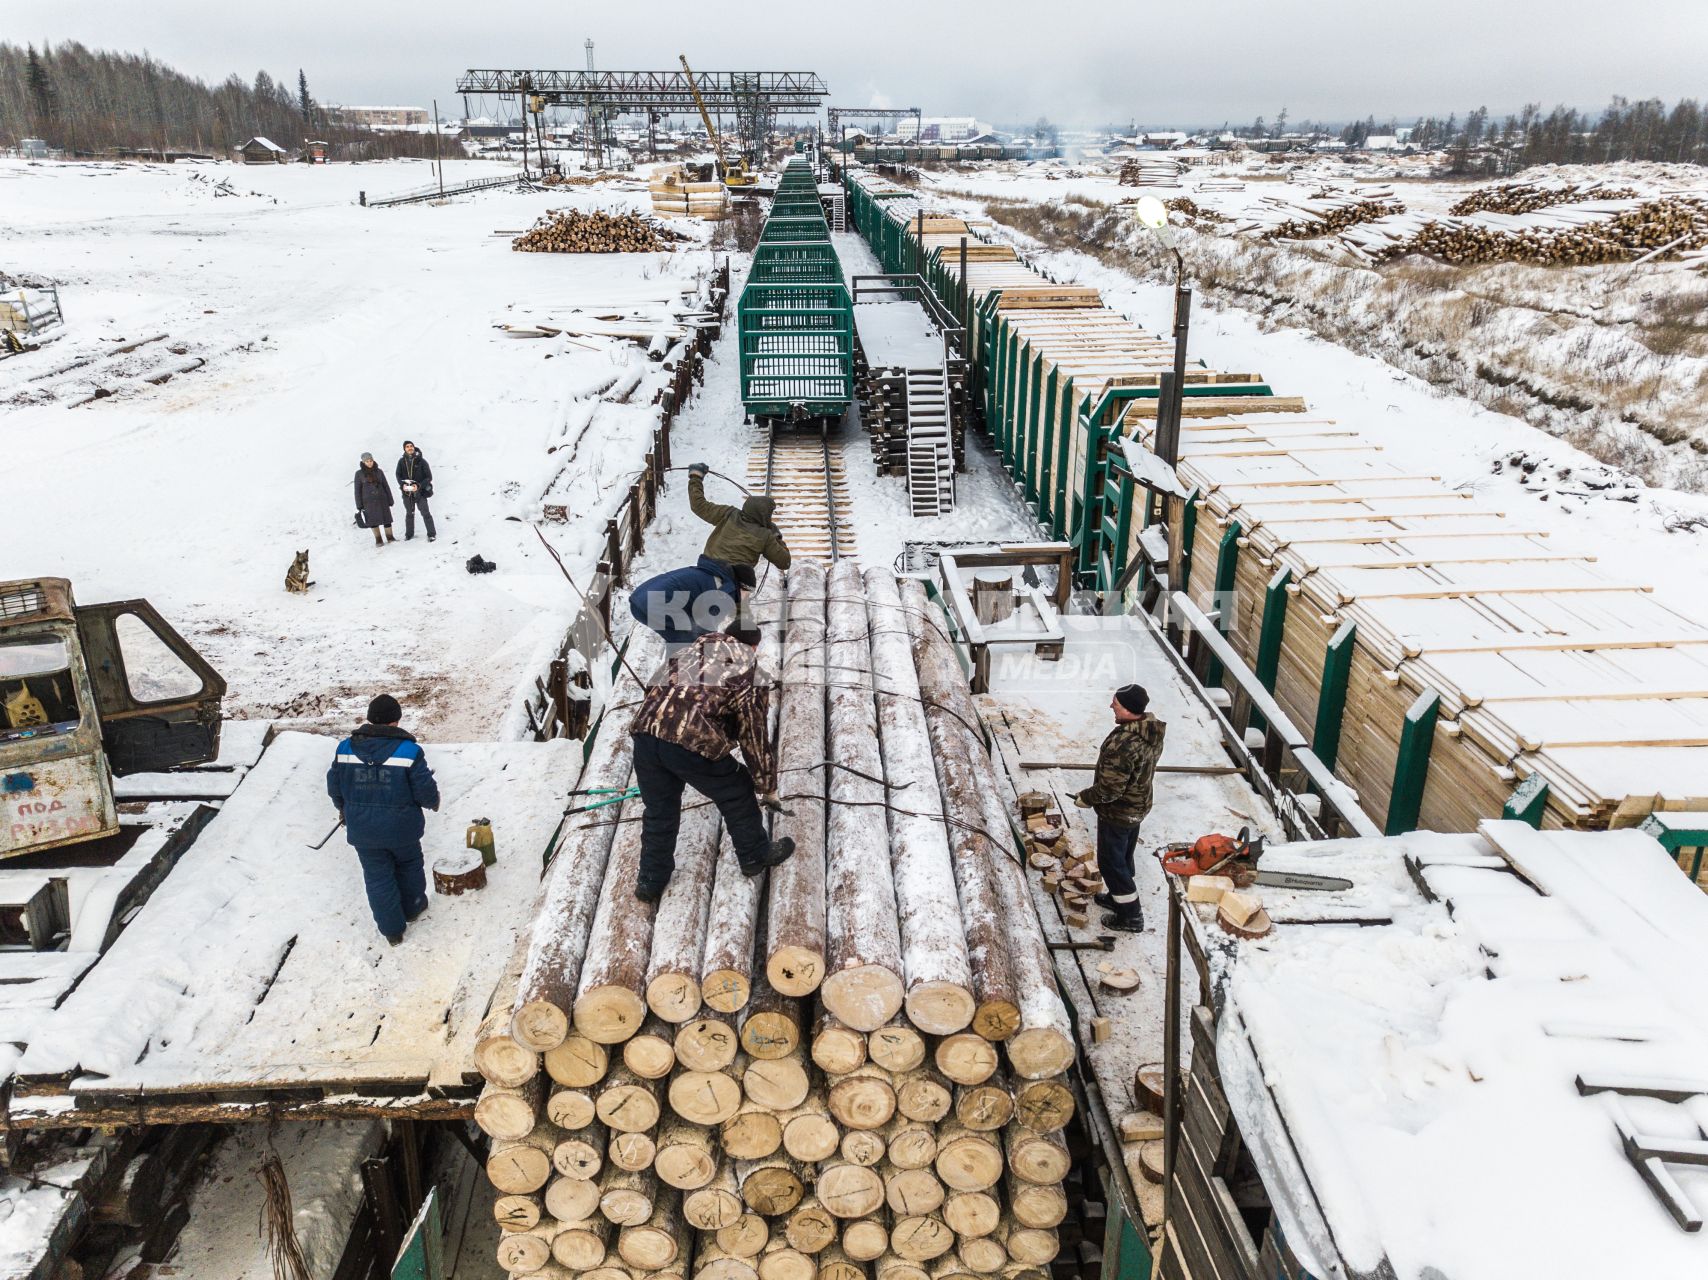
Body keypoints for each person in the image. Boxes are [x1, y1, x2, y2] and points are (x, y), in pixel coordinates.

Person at [628, 627, 794, 904]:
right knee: (737, 788)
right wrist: (768, 787)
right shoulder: (749, 673)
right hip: (688, 739)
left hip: (645, 734)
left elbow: (652, 689)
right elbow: (753, 736)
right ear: (753, 647)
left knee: (659, 810)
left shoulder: (687, 652)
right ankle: (755, 854)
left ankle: (650, 880)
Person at [325, 693, 441, 945]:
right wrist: (433, 802)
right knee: (409, 866)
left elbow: (334, 785)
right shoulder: (409, 751)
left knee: (377, 877)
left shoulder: (345, 749)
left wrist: (343, 809)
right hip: (402, 829)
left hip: (363, 831)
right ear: (395, 722)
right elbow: (424, 790)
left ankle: (392, 931)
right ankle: (413, 908)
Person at [1073, 684, 1166, 933]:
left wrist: (1087, 798)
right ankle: (1117, 897)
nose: (1111, 705)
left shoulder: (1124, 745)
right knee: (1123, 856)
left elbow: (1110, 790)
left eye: (1116, 703)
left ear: (1129, 709)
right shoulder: (1151, 729)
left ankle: (1130, 916)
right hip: (1138, 804)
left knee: (1111, 864)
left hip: (1119, 811)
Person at [629, 557, 755, 649]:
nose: (746, 597)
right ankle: (681, 678)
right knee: (694, 642)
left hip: (639, 600)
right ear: (741, 587)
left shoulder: (712, 575)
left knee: (681, 641)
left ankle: (673, 677)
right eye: (747, 593)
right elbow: (707, 626)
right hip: (656, 605)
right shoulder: (727, 591)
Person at [687, 463, 791, 571]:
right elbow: (785, 562)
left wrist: (696, 477)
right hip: (731, 578)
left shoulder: (729, 514)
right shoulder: (765, 535)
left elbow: (698, 506)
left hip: (706, 567)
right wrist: (776, 537)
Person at [395, 440, 437, 542]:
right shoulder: (401, 461)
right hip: (407, 493)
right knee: (409, 514)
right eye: (407, 447)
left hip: (420, 493)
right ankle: (409, 534)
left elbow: (429, 477)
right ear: (404, 449)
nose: (410, 448)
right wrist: (403, 485)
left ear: (414, 447)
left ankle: (431, 534)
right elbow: (398, 475)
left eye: (411, 446)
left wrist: (418, 485)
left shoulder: (421, 461)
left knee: (425, 513)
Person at [354, 453, 395, 547]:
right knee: (373, 521)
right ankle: (378, 539)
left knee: (387, 519)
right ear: (363, 462)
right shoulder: (359, 474)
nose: (369, 463)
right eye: (367, 461)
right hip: (368, 502)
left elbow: (386, 485)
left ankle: (390, 537)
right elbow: (357, 490)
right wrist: (359, 505)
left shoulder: (379, 471)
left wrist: (390, 498)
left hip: (382, 499)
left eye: (370, 461)